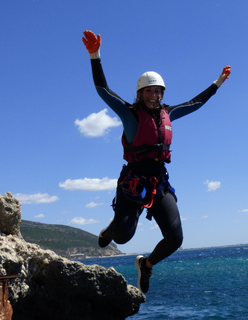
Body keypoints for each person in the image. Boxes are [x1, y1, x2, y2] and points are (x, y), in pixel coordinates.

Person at [82, 30, 231, 294]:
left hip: (159, 183)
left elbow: (196, 102)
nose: (154, 95)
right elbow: (103, 90)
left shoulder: (168, 113)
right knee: (123, 236)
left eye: (158, 91)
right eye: (149, 91)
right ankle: (113, 227)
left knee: (175, 238)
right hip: (132, 182)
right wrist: (95, 56)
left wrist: (217, 83)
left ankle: (146, 265)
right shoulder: (129, 113)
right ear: (140, 93)